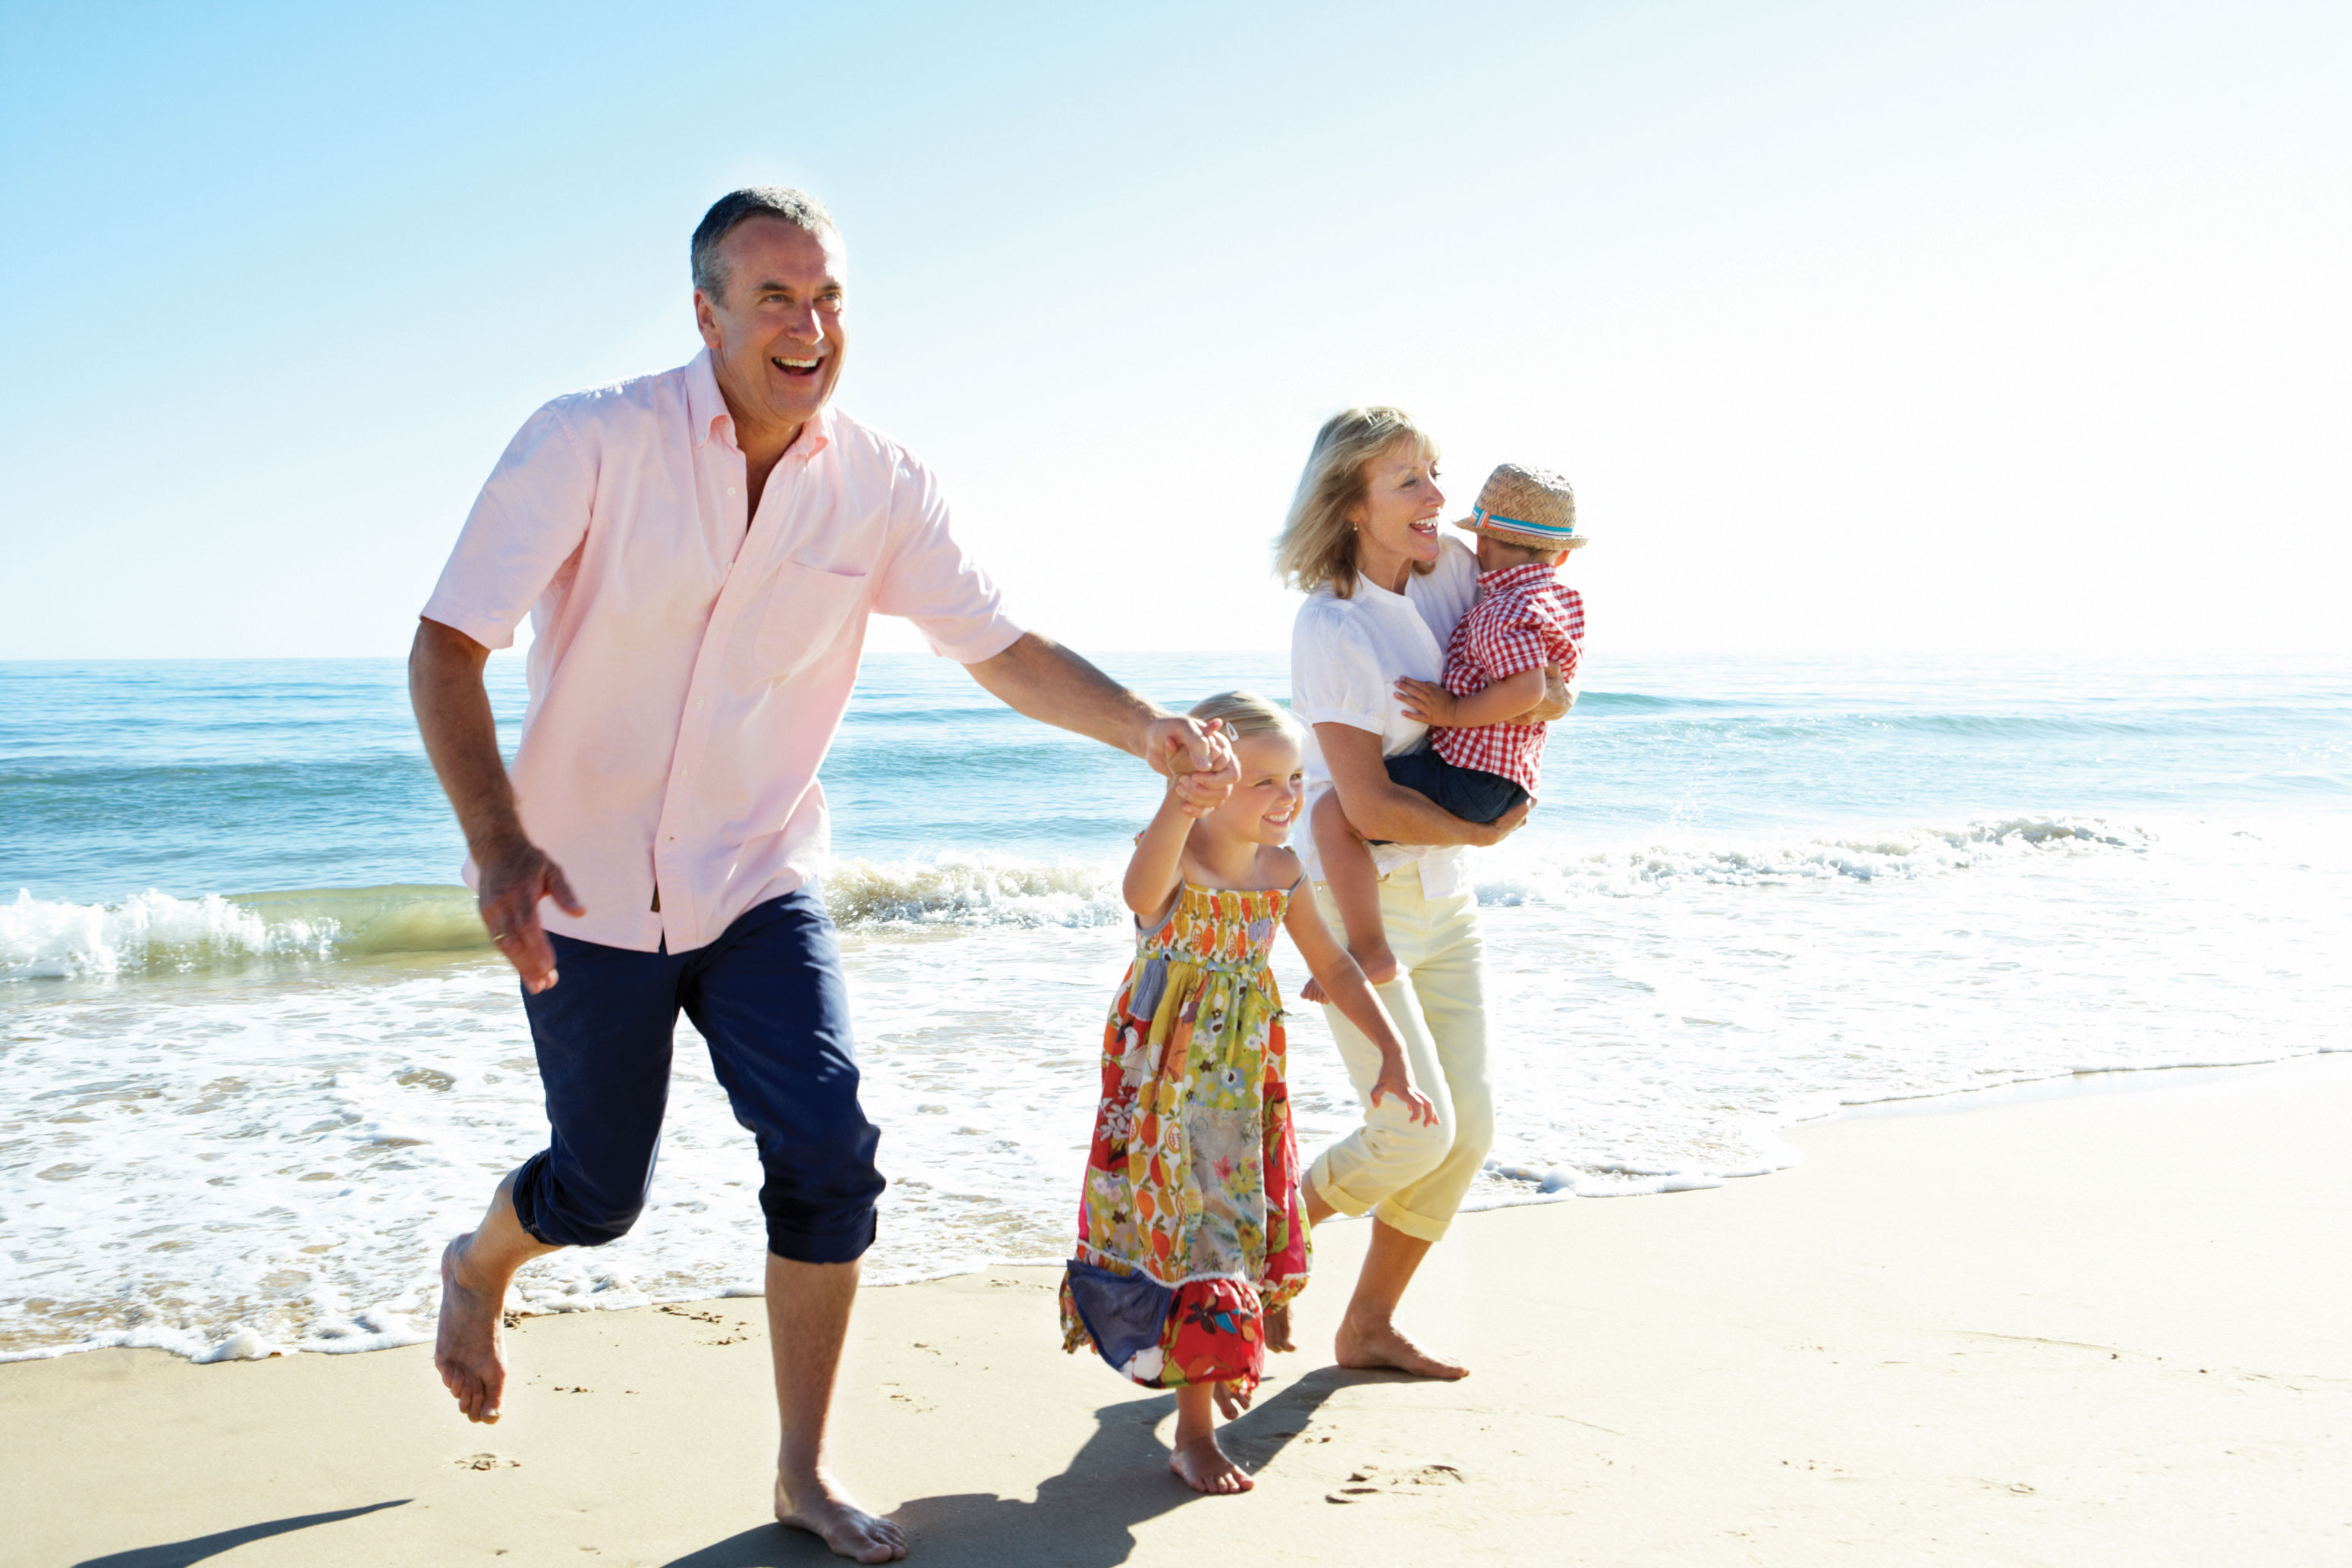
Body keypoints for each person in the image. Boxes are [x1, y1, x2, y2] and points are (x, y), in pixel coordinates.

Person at [410, 186, 1234, 1565]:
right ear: (707, 313)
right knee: (599, 1196)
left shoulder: (882, 483)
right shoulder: (592, 440)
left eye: (832, 296)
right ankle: (480, 1262)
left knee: (831, 1152)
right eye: (778, 297)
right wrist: (497, 841)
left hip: (754, 878)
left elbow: (1000, 647)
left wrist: (1142, 727)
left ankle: (802, 1469)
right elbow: (447, 647)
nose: (811, 325)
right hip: (583, 884)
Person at [1059, 692, 1432, 1494]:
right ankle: (1193, 1432)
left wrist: (1393, 1055)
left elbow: (1334, 968)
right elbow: (1137, 896)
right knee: (1195, 1240)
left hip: (1243, 1093)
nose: (1288, 797)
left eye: (1294, 777)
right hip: (1160, 1095)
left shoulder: (1282, 871)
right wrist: (1176, 796)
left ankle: (1229, 1341)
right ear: (1208, 783)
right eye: (1262, 781)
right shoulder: (1176, 859)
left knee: (1230, 1232)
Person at [1275, 407, 1571, 1381]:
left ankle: (1366, 1325)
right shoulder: (1333, 624)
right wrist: (1486, 831)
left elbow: (1541, 633)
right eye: (1407, 480)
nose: (1436, 499)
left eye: (1435, 474)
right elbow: (1360, 803)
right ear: (1350, 502)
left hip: (1443, 896)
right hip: (1366, 898)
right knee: (1412, 1128)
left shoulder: (1453, 568)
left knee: (1468, 1131)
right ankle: (1260, 1237)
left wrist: (1552, 696)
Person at [1310, 462, 1587, 988]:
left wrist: (1451, 712)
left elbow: (1533, 690)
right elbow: (1555, 677)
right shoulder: (1560, 600)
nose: (1433, 494)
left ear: (1482, 543)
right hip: (1505, 781)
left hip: (1474, 784)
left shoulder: (1499, 602)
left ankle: (1367, 947)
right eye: (1410, 478)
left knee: (1330, 811)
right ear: (1564, 554)